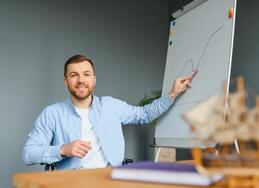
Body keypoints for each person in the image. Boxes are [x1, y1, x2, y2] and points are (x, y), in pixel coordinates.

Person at [22, 55, 191, 170]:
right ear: (66, 81)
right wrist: (62, 149)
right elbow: (28, 154)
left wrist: (172, 94)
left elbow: (144, 114)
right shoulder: (51, 113)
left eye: (86, 74)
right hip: (69, 185)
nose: (81, 80)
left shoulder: (111, 106)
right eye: (74, 75)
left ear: (94, 79)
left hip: (109, 182)